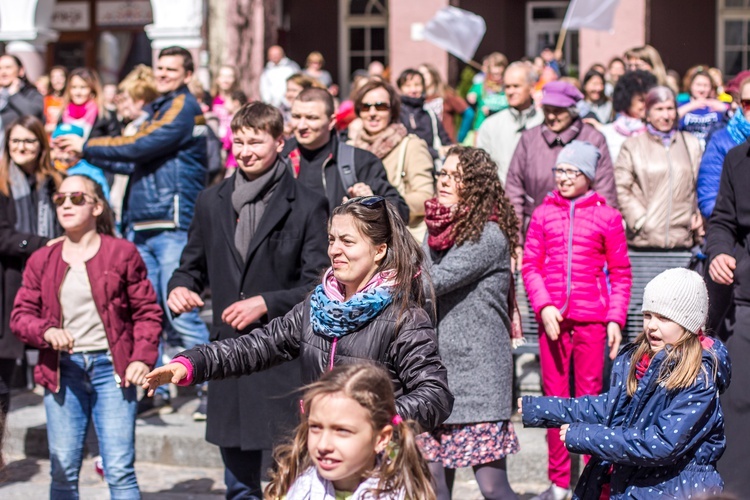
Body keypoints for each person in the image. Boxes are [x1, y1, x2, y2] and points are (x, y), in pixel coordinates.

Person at [143, 196, 454, 435]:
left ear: (379, 250)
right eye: (332, 240)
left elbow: (435, 395)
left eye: (347, 241)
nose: (335, 250)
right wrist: (191, 363)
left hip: (376, 464)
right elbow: (257, 346)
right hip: (320, 451)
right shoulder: (317, 305)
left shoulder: (404, 317)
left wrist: (376, 421)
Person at [166, 101, 329, 498]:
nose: (244, 151)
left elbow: (320, 285)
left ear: (279, 142)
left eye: (255, 142)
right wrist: (180, 287)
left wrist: (266, 303)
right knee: (238, 487)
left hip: (282, 360)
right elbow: (192, 265)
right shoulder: (211, 202)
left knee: (290, 481)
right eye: (238, 142)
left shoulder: (307, 203)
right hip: (229, 362)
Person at [57, 46, 210, 416]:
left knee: (179, 310)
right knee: (148, 311)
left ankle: (212, 389)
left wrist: (87, 145)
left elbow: (141, 145)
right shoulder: (159, 108)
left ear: (188, 74)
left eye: (172, 69)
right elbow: (134, 158)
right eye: (160, 67)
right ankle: (153, 390)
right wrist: (86, 156)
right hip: (143, 222)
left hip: (170, 222)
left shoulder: (182, 107)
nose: (163, 74)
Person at [10, 173, 162, 499]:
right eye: (60, 199)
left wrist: (140, 359)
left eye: (77, 198)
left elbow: (147, 312)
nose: (66, 204)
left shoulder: (122, 253)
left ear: (97, 207)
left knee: (119, 469)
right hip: (62, 370)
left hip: (112, 369)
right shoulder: (42, 258)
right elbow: (20, 316)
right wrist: (46, 330)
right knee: (63, 470)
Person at [521, 267, 730, 499]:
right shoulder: (643, 360)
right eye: (648, 315)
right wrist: (541, 408)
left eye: (663, 318)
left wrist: (588, 436)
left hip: (675, 490)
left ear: (689, 323)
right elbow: (609, 407)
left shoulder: (698, 377)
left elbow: (660, 443)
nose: (651, 325)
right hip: (636, 483)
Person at [522, 141, 632, 500]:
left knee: (589, 399)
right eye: (560, 171)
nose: (564, 178)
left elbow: (620, 272)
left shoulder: (607, 216)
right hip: (553, 320)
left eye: (573, 172)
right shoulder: (542, 214)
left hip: (592, 321)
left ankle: (591, 476)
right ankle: (558, 481)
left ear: (588, 176)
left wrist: (615, 318)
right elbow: (531, 265)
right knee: (554, 398)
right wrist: (543, 306)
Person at [420, 146, 521, 500]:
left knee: (493, 488)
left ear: (475, 185)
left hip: (478, 376)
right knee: (432, 488)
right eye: (443, 173)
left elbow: (432, 281)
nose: (444, 180)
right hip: (437, 374)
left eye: (455, 175)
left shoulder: (487, 236)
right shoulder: (435, 230)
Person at [266, 364, 434, 500]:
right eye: (316, 427)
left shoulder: (399, 495)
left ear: (381, 439)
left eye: (342, 431)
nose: (323, 445)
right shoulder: (294, 489)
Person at [0, 115, 63, 441]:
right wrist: (41, 244)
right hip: (6, 287)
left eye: (29, 141)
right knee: (2, 378)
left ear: (41, 145)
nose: (21, 147)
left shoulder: (53, 183)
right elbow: (3, 236)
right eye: (16, 141)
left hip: (47, 285)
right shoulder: (1, 182)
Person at [506, 80, 617, 258]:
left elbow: (605, 193)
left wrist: (606, 241)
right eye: (547, 110)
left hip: (583, 241)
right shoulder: (529, 139)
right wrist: (515, 239)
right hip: (535, 239)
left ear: (572, 111)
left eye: (558, 111)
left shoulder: (593, 138)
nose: (551, 117)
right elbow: (513, 189)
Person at [284, 87, 409, 220]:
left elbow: (401, 212)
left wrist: (371, 204)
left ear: (331, 121)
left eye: (311, 118)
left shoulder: (359, 160)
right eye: (296, 117)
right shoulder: (280, 158)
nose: (301, 125)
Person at [705, 131, 750, 495]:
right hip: (746, 299)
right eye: (747, 104)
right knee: (737, 400)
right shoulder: (737, 158)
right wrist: (720, 250)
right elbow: (722, 220)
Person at [615, 86, 702, 251]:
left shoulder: (690, 144)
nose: (665, 115)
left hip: (682, 240)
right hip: (644, 241)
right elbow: (621, 188)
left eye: (670, 108)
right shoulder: (633, 146)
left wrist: (697, 213)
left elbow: (698, 184)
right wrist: (641, 221)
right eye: (659, 109)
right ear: (647, 114)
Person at [347, 80, 433, 241]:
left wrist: (379, 202)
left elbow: (425, 198)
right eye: (366, 107)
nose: (372, 113)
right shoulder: (349, 148)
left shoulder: (411, 145)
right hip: (357, 237)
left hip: (397, 237)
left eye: (380, 106)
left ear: (392, 111)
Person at [476, 61, 543, 183]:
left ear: (532, 87)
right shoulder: (491, 125)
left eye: (516, 86)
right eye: (507, 87)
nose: (511, 91)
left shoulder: (544, 121)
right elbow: (481, 168)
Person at [698, 76, 750, 221]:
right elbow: (709, 197)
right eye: (748, 104)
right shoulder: (721, 140)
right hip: (735, 233)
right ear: (739, 105)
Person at [596, 70, 657, 162]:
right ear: (626, 100)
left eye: (650, 100)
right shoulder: (607, 134)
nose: (646, 105)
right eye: (641, 100)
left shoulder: (657, 132)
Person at [396, 68, 452, 163]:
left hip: (430, 165)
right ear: (400, 88)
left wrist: (450, 149)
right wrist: (435, 152)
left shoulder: (429, 113)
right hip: (405, 164)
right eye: (408, 86)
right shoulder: (397, 113)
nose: (413, 89)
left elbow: (444, 138)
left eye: (417, 85)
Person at [50, 124, 110, 199]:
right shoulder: (48, 168)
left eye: (67, 144)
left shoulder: (91, 169)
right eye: (58, 145)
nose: (63, 150)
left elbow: (104, 199)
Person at [678, 65, 728, 148]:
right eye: (698, 85)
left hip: (711, 149)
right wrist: (690, 106)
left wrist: (724, 108)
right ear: (691, 86)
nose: (701, 89)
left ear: (711, 88)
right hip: (687, 148)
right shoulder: (682, 104)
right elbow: (671, 119)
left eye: (705, 85)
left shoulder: (717, 105)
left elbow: (733, 117)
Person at [419, 63, 468, 144]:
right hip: (429, 145)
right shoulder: (420, 98)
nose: (422, 77)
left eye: (425, 73)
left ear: (433, 74)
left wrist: (460, 138)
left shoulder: (446, 94)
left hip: (446, 144)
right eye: (420, 74)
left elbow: (468, 114)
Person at [466, 52, 509, 134]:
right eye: (495, 67)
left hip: (502, 128)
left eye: (500, 66)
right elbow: (471, 95)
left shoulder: (508, 86)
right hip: (482, 127)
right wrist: (471, 96)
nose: (497, 71)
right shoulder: (481, 86)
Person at [0, 55, 44, 126]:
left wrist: (14, 95)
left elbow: (32, 115)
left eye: (8, 67)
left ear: (21, 71)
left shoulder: (32, 94)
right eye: (0, 68)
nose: (3, 72)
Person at [210, 65, 240, 140]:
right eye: (223, 76)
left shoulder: (239, 100)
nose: (226, 80)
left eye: (229, 77)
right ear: (217, 79)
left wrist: (235, 111)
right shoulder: (210, 99)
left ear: (235, 80)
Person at [44, 66, 68, 135]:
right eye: (54, 77)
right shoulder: (46, 100)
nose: (58, 80)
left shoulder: (71, 100)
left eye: (61, 77)